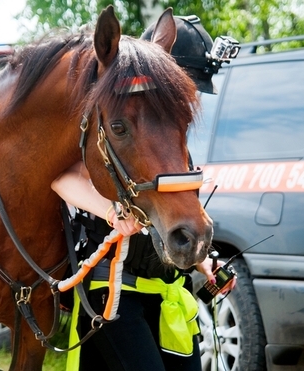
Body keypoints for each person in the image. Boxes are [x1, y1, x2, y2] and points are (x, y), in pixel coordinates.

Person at [52, 15, 237, 371]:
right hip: (115, 289)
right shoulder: (109, 119)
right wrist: (111, 213)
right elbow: (61, 177)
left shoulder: (164, 133)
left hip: (168, 293)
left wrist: (204, 260)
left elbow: (168, 207)